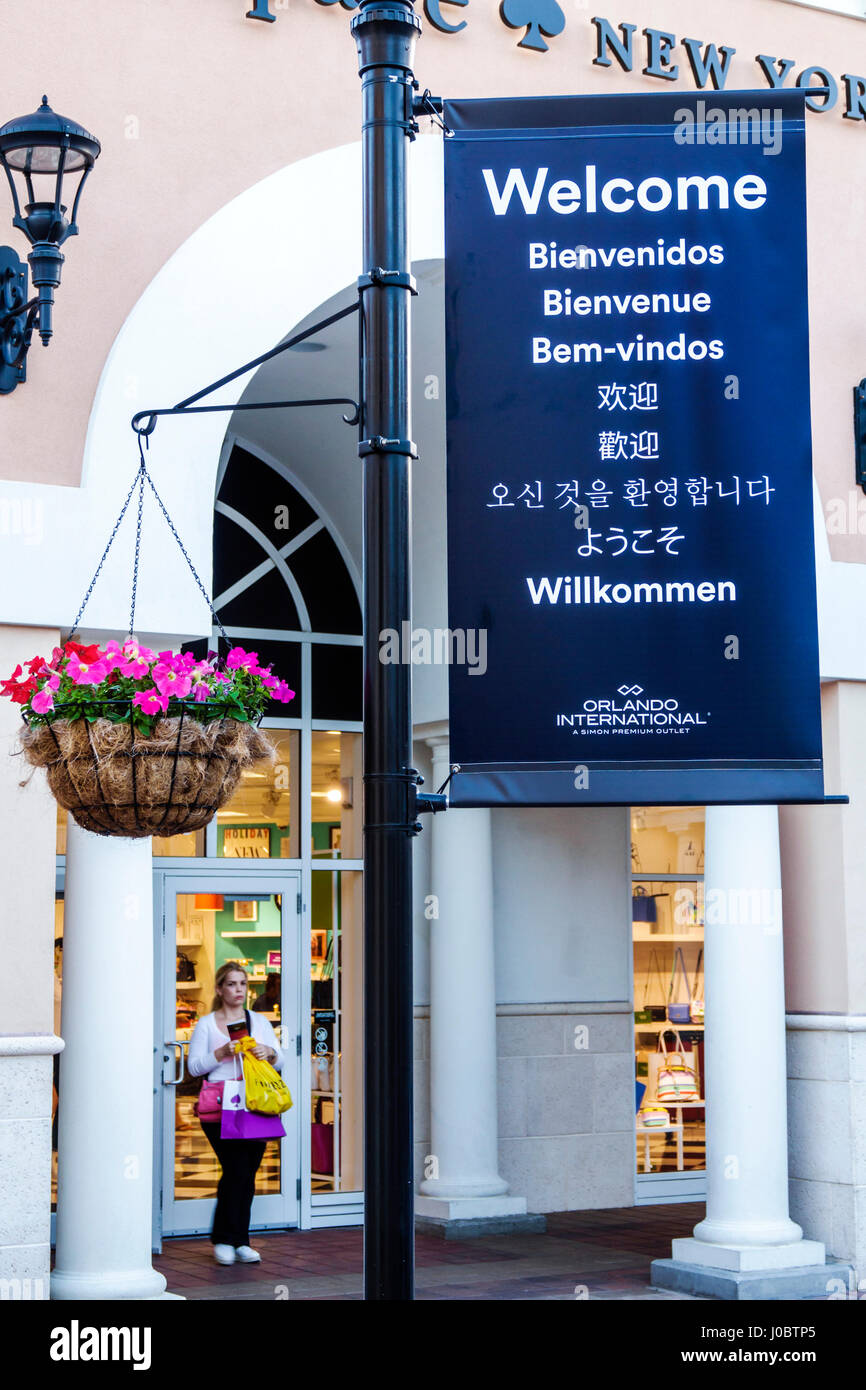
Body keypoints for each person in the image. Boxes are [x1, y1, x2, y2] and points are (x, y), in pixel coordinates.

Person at [187, 960, 284, 1265]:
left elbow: (280, 1062)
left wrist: (268, 1053)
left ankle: (238, 1240)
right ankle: (226, 1239)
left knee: (247, 1171)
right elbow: (193, 1067)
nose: (238, 990)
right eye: (231, 984)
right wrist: (221, 1053)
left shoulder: (259, 1022)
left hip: (252, 1103)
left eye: (242, 984)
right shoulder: (206, 1024)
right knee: (235, 1169)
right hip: (219, 1105)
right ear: (219, 988)